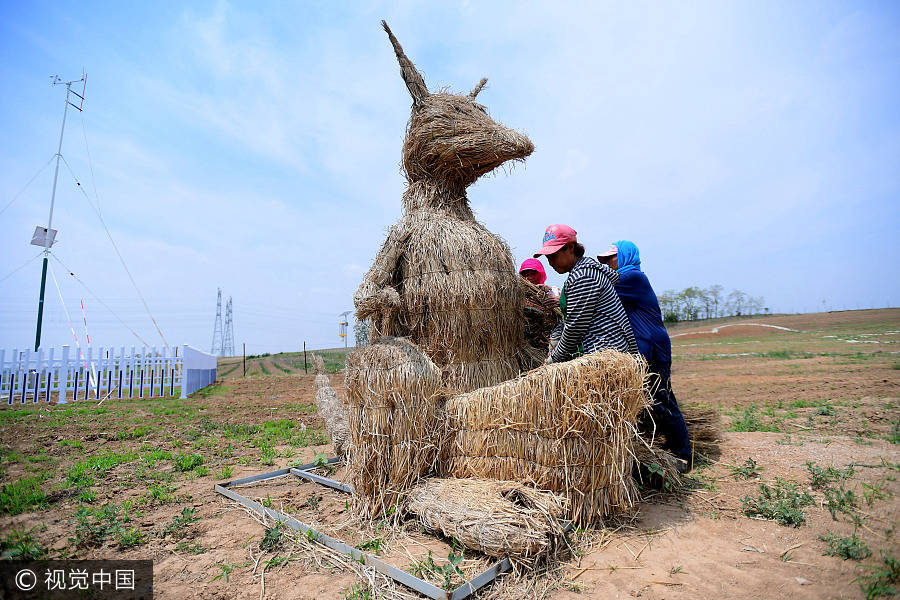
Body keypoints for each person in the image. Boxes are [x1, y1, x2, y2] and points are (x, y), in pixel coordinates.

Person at [598, 240, 692, 471]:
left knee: (662, 399)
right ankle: (662, 449)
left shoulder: (632, 277)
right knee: (649, 400)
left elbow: (597, 292)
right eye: (604, 260)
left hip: (653, 348)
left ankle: (683, 455)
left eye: (611, 258)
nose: (607, 263)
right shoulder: (624, 279)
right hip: (643, 347)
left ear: (625, 256)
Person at [533, 224, 638, 364]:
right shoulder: (581, 272)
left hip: (606, 355)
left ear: (571, 247)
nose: (550, 262)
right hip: (603, 353)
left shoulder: (584, 276)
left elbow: (575, 328)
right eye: (548, 258)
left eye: (554, 256)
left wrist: (553, 360)